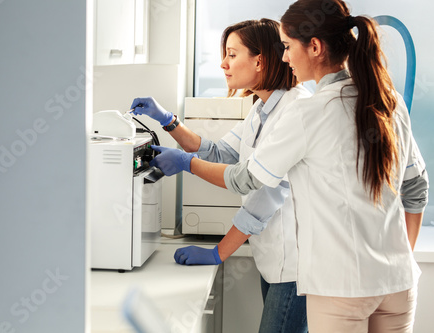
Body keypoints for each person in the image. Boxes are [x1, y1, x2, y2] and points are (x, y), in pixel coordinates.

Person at [145, 1, 430, 332]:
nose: (284, 57)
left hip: (340, 286)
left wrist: (188, 164)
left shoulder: (307, 112)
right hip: (398, 282)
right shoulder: (387, 100)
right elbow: (416, 188)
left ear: (314, 47)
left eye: (287, 46)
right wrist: (399, 257)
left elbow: (247, 179)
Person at [131, 19, 310, 333]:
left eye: (231, 54)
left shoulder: (295, 111)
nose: (223, 64)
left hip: (296, 265)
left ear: (260, 60)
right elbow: (218, 151)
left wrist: (217, 252)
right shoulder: (261, 108)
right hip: (275, 261)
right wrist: (168, 120)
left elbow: (261, 193)